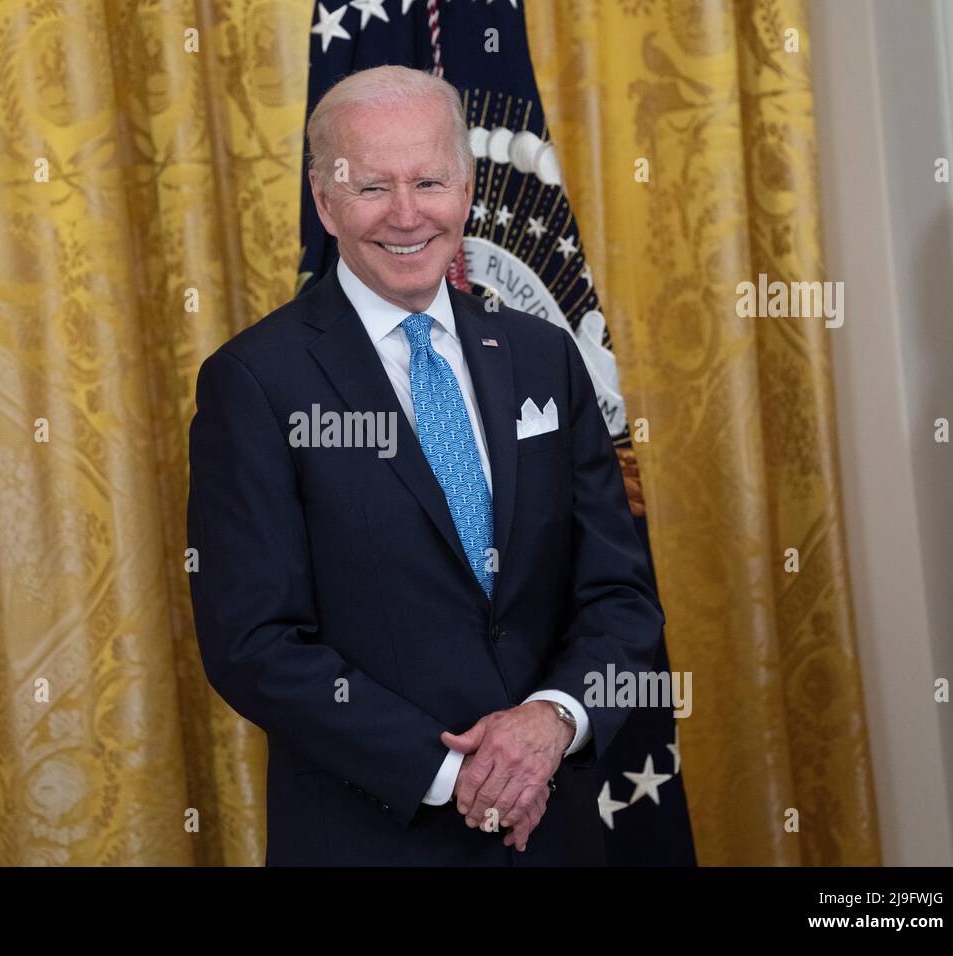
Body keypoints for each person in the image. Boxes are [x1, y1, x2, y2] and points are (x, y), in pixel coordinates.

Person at [186, 65, 663, 865]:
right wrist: (458, 773)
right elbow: (254, 641)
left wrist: (550, 721)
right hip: (374, 835)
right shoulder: (255, 381)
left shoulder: (543, 356)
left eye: (430, 181)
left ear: (468, 186)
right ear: (323, 197)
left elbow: (619, 592)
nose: (406, 215)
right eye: (372, 185)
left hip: (556, 828)